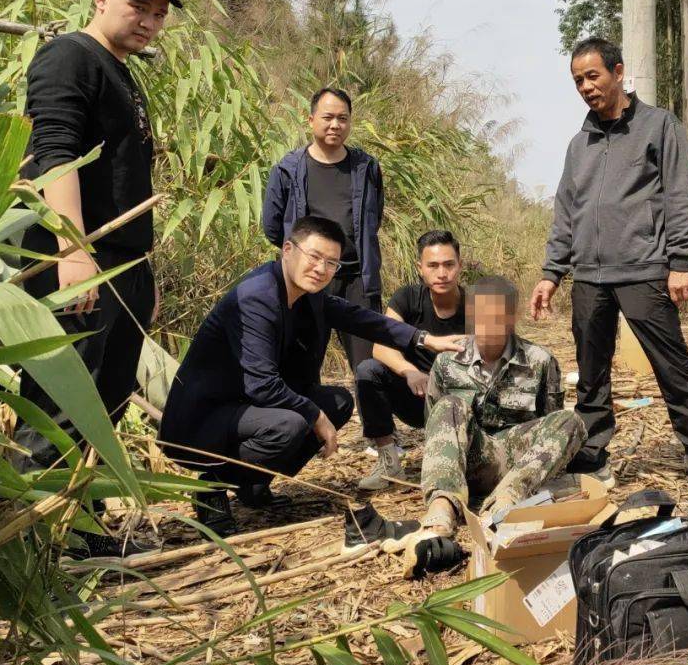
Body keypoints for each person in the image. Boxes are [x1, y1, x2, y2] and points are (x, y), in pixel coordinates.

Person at [13, 0, 181, 554]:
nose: (149, 22)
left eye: (158, 14)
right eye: (138, 7)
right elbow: (54, 153)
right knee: (61, 399)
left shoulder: (121, 71)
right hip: (81, 255)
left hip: (123, 263)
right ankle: (36, 541)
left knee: (103, 400)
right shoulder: (69, 57)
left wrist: (141, 275)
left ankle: (79, 526)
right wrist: (73, 249)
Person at [159, 216, 463, 536]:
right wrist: (315, 416)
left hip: (248, 406)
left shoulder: (309, 295)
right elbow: (262, 384)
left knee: (338, 402)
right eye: (314, 257)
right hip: (207, 416)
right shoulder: (256, 297)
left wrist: (424, 339)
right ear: (288, 250)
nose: (321, 269)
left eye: (331, 263)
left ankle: (253, 482)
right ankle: (212, 486)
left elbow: (361, 319)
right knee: (291, 424)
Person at [530, 36, 688, 506]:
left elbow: (680, 195)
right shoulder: (579, 145)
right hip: (589, 276)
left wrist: (680, 262)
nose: (585, 87)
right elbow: (566, 212)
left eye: (592, 76)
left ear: (618, 73)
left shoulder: (658, 126)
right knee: (591, 376)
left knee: (672, 368)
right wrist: (552, 272)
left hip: (644, 270)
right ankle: (594, 459)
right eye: (578, 80)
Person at [420, 277, 585, 536]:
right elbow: (435, 426)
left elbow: (549, 423)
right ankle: (442, 508)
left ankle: (505, 502)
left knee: (570, 421)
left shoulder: (540, 361)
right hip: (468, 460)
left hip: (520, 464)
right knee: (448, 405)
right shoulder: (447, 362)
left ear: (512, 317)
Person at [262, 88, 384, 370]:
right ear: (311, 120)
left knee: (368, 368)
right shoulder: (288, 169)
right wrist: (306, 257)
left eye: (343, 118)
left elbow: (373, 219)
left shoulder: (366, 168)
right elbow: (272, 226)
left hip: (356, 279)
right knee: (299, 366)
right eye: (328, 117)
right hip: (308, 278)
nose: (335, 125)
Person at [355, 230, 466, 491]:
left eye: (449, 264)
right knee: (368, 371)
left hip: (462, 400)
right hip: (416, 395)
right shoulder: (407, 298)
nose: (442, 273)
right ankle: (388, 463)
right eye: (433, 265)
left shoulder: (478, 302)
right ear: (420, 268)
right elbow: (381, 347)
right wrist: (409, 371)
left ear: (460, 265)